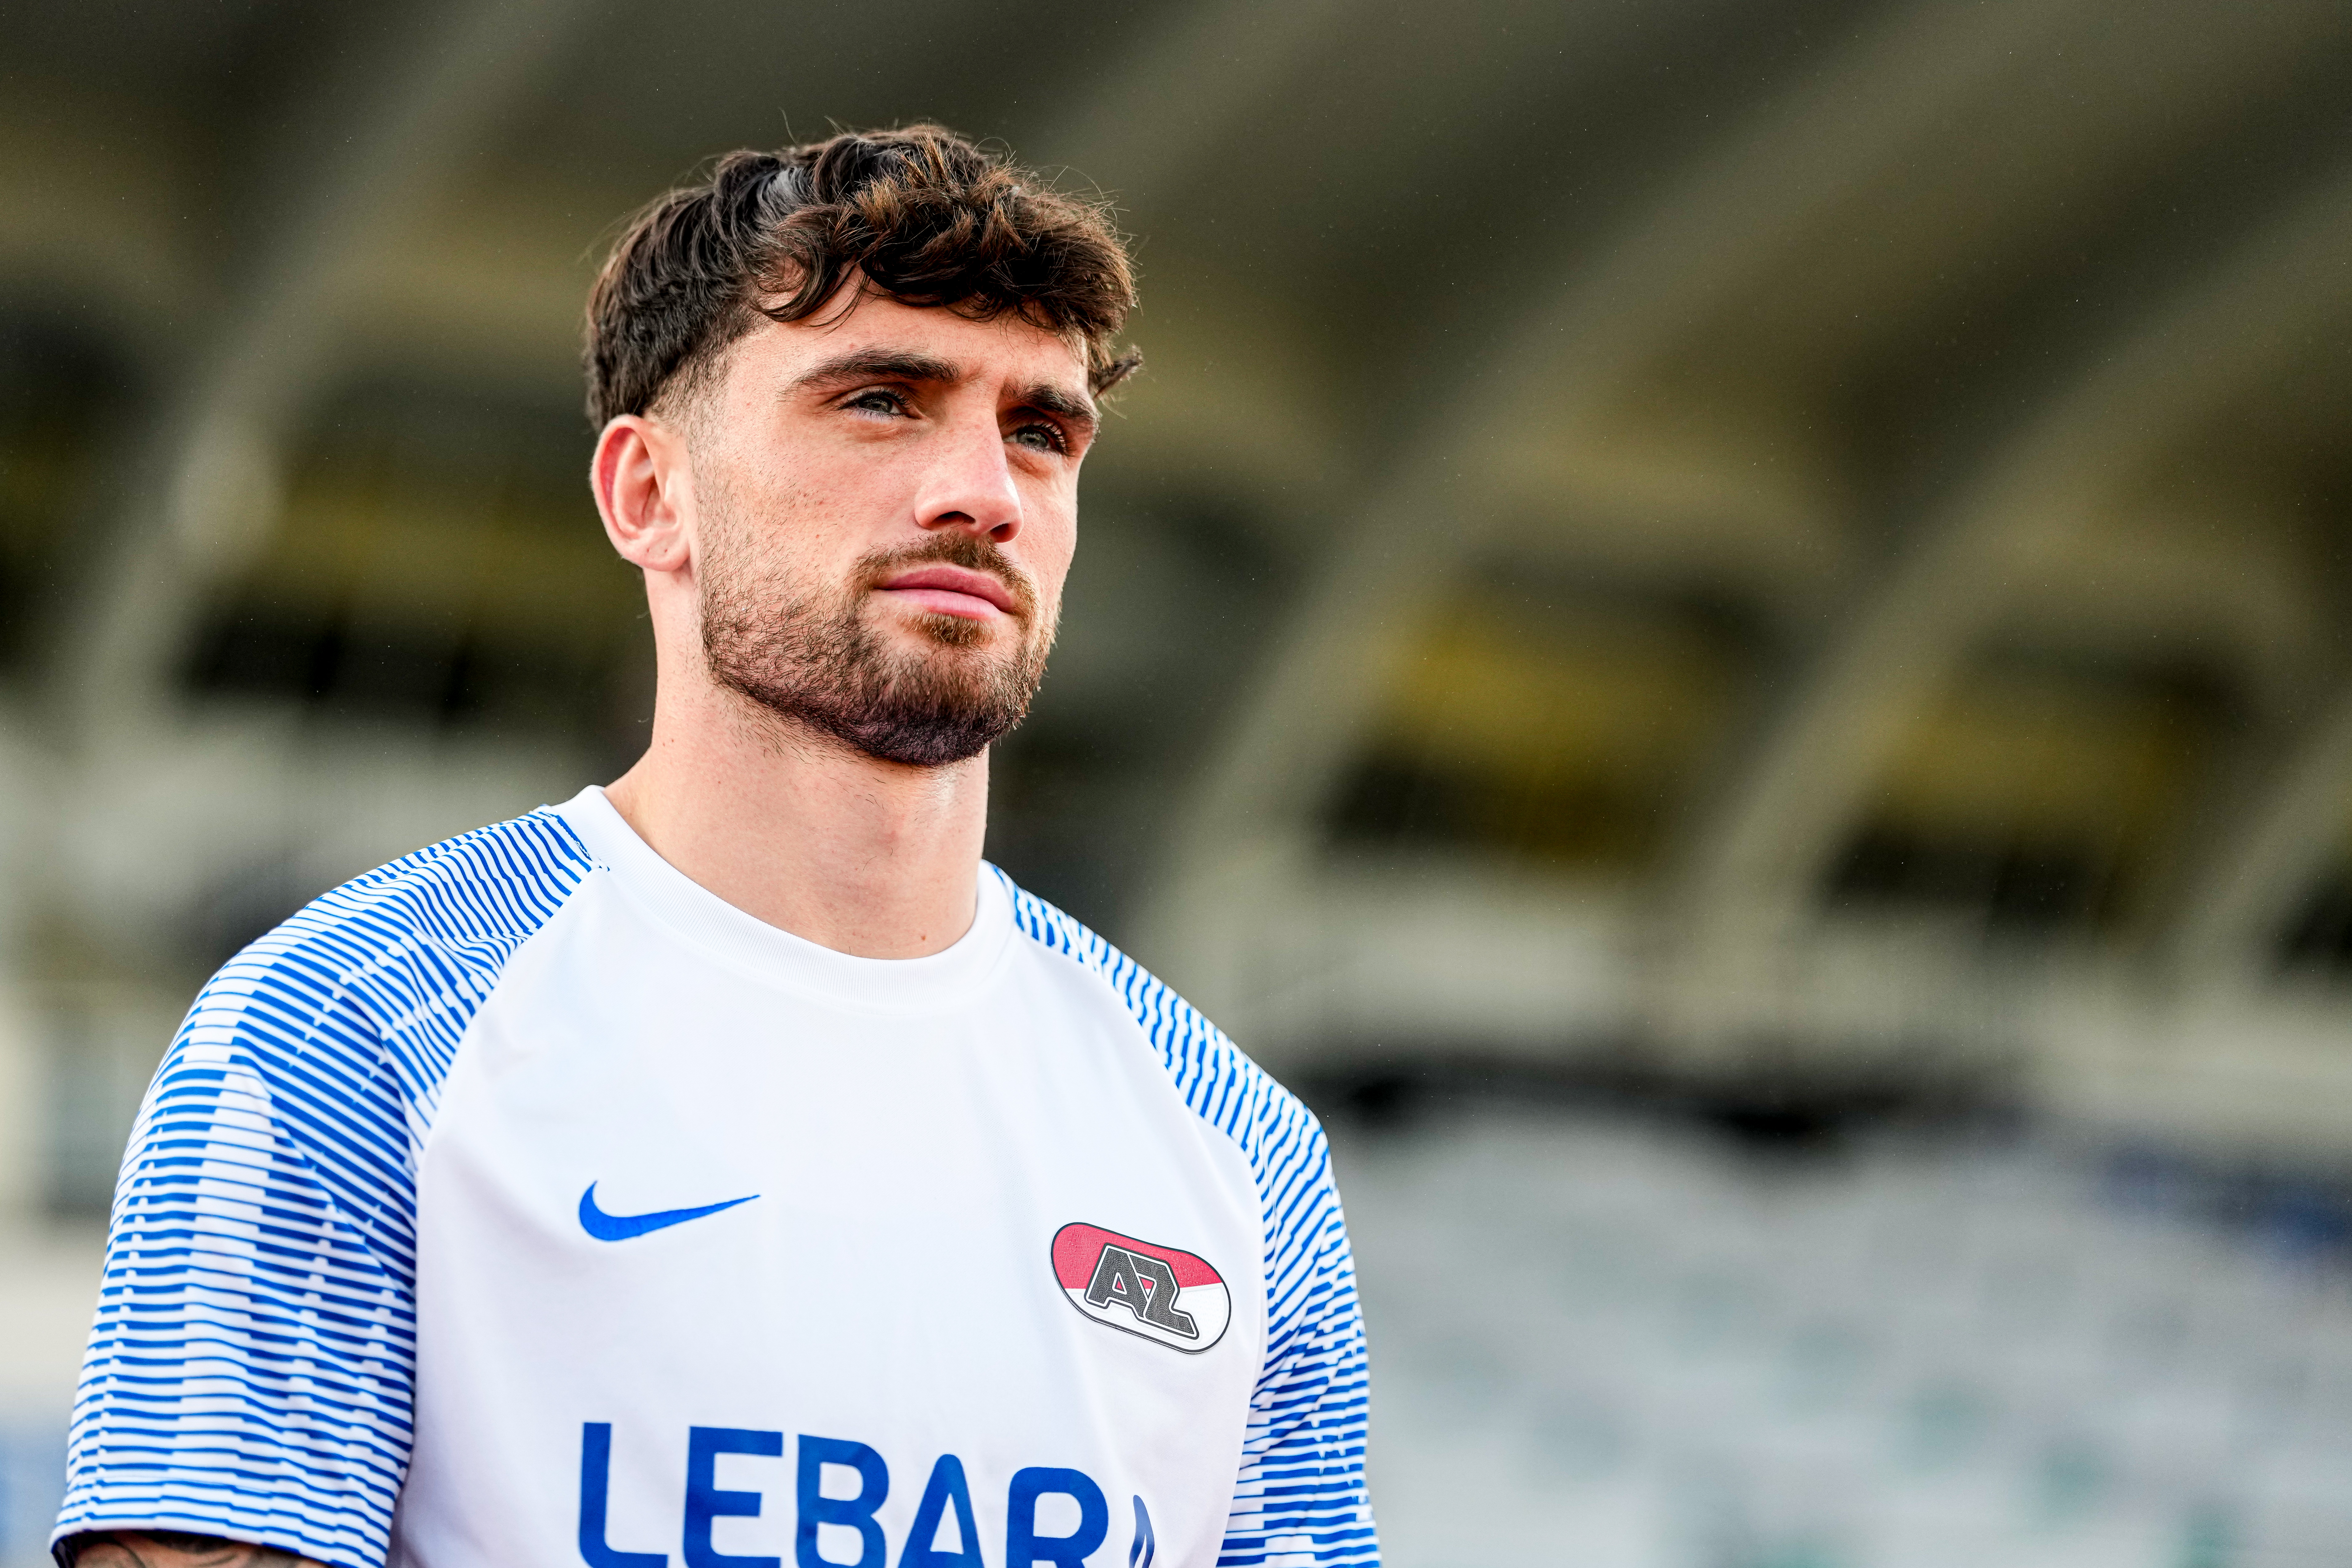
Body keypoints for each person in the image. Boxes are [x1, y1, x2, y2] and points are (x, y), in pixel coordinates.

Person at [49, 127, 1377, 1568]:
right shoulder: (356, 1026)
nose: (984, 492)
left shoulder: (1237, 1149)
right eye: (882, 401)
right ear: (648, 494)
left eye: (1039, 433)